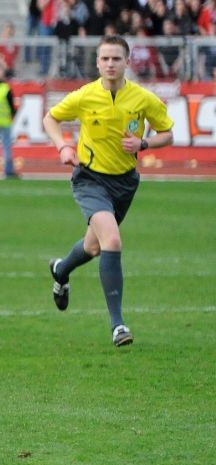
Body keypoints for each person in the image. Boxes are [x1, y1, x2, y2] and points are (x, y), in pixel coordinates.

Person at [43, 35, 174, 347]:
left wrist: (144, 143)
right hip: (89, 178)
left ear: (127, 62)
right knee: (112, 239)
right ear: (98, 63)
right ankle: (118, 325)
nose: (111, 64)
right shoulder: (85, 95)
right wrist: (63, 146)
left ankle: (61, 270)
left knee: (94, 247)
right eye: (105, 59)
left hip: (124, 182)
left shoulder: (142, 98)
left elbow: (167, 133)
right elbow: (51, 118)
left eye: (117, 59)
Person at [0, 66, 17, 178]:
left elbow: (11, 106)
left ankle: (4, 170)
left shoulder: (1, 88)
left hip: (0, 122)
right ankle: (4, 170)